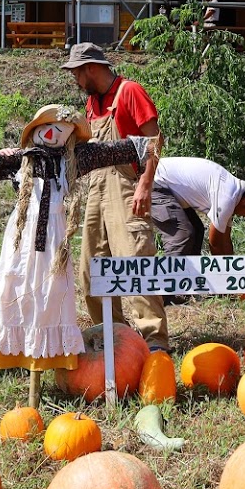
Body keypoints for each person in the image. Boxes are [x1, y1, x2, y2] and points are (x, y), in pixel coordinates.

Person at [0, 105, 156, 406]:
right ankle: (21, 356)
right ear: (34, 130)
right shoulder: (19, 160)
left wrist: (142, 145)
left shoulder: (76, 159)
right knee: (19, 292)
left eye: (62, 128)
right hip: (21, 240)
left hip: (55, 242)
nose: (53, 132)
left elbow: (110, 151)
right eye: (48, 126)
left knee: (51, 296)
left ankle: (45, 359)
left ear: (71, 135)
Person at [61, 42, 169, 351]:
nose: (75, 80)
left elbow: (154, 140)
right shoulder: (92, 104)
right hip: (97, 189)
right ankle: (114, 339)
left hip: (125, 187)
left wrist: (145, 184)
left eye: (76, 73)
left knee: (134, 265)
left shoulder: (129, 92)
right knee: (91, 271)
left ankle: (154, 343)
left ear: (91, 68)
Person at [151, 156, 245, 258]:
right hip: (155, 181)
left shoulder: (234, 193)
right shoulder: (228, 197)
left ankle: (190, 280)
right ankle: (171, 281)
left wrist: (233, 271)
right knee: (182, 235)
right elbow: (215, 243)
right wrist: (222, 274)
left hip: (168, 184)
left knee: (197, 229)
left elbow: (225, 240)